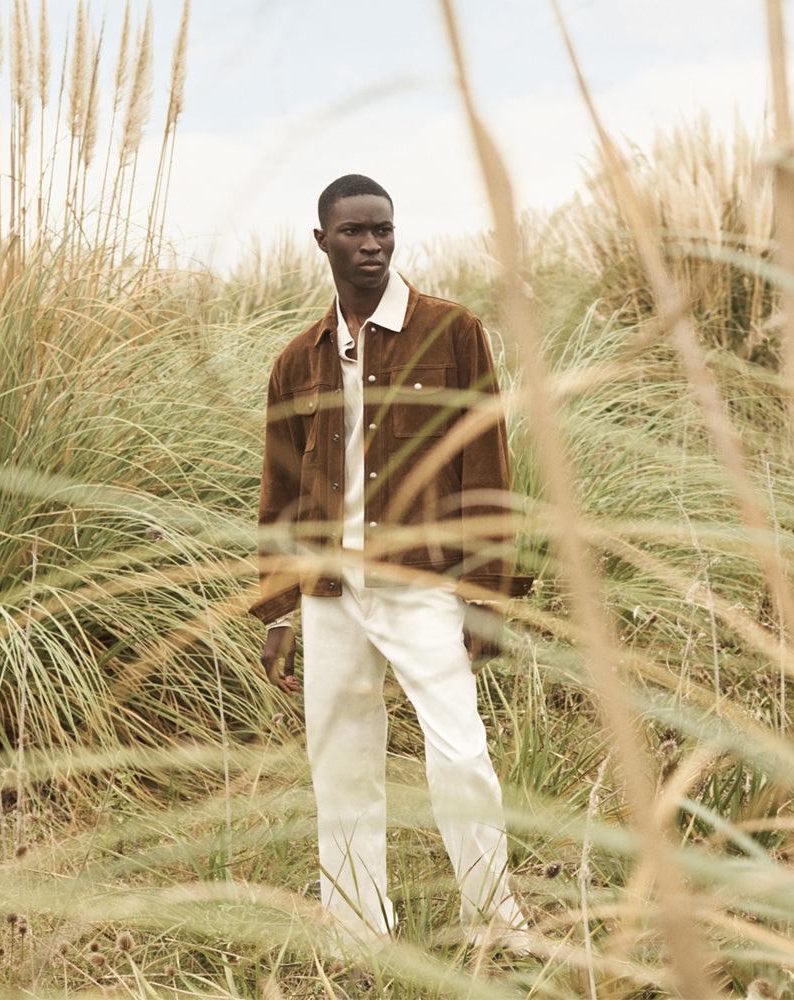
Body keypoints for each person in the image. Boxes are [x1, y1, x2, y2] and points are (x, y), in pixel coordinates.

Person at [251, 173, 530, 947]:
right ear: (322, 241)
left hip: (424, 585)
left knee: (461, 757)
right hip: (330, 592)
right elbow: (279, 492)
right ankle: (354, 930)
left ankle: (495, 925)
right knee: (341, 771)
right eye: (353, 233)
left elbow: (486, 466)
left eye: (383, 230)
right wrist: (278, 609)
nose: (371, 245)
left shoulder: (453, 333)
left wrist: (486, 592)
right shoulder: (297, 362)